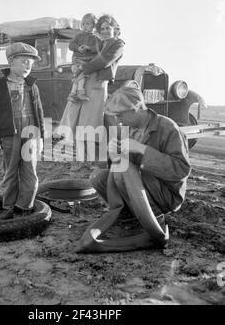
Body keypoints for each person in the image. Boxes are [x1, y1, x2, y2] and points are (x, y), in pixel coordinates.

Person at [76, 86, 191, 253]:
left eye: (120, 114)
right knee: (98, 177)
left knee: (125, 171)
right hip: (139, 187)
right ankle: (129, 214)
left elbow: (181, 170)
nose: (117, 119)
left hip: (165, 195)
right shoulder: (127, 129)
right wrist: (113, 155)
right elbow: (118, 167)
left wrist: (142, 149)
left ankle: (151, 218)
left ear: (136, 109)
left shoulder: (168, 127)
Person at [0, 42, 44, 220]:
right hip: (9, 133)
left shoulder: (32, 86)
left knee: (30, 171)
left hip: (31, 133)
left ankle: (24, 207)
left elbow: (39, 113)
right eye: (24, 61)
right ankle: (9, 207)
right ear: (11, 61)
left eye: (31, 63)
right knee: (11, 171)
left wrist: (40, 137)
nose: (29, 66)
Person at [56, 14, 125, 162]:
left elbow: (104, 61)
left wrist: (82, 67)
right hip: (84, 81)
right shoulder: (99, 42)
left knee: (91, 123)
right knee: (76, 119)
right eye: (102, 28)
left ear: (115, 29)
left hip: (96, 85)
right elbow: (83, 53)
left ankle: (93, 159)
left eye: (108, 28)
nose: (105, 31)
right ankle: (81, 158)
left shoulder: (117, 44)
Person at [67, 13, 102, 103]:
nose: (85, 26)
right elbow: (71, 45)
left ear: (94, 26)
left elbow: (99, 48)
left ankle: (72, 93)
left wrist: (89, 48)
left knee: (80, 75)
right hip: (77, 60)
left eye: (88, 24)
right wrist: (78, 48)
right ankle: (80, 92)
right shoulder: (78, 36)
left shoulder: (96, 38)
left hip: (87, 62)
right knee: (81, 74)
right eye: (83, 24)